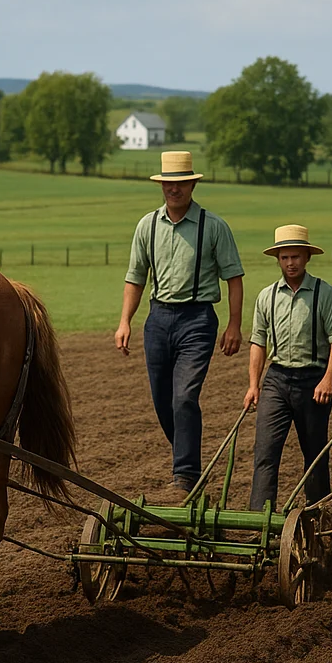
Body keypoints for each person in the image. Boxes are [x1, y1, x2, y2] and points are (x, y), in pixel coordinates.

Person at [116, 151, 244, 495]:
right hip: (157, 319)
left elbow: (233, 278)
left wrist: (234, 325)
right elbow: (135, 278)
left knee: (184, 397)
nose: (175, 189)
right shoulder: (147, 226)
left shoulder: (213, 226)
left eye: (181, 183)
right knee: (162, 401)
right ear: (162, 185)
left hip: (198, 320)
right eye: (169, 183)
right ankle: (189, 465)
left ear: (192, 184)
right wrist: (125, 321)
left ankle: (185, 476)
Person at [243, 225, 332, 513]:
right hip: (276, 380)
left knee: (315, 456)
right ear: (277, 258)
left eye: (296, 257)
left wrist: (328, 380)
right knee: (265, 453)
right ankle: (259, 521)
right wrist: (254, 384)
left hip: (313, 382)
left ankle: (318, 518)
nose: (291, 263)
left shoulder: (325, 294)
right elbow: (257, 342)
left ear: (307, 257)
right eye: (285, 257)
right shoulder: (266, 297)